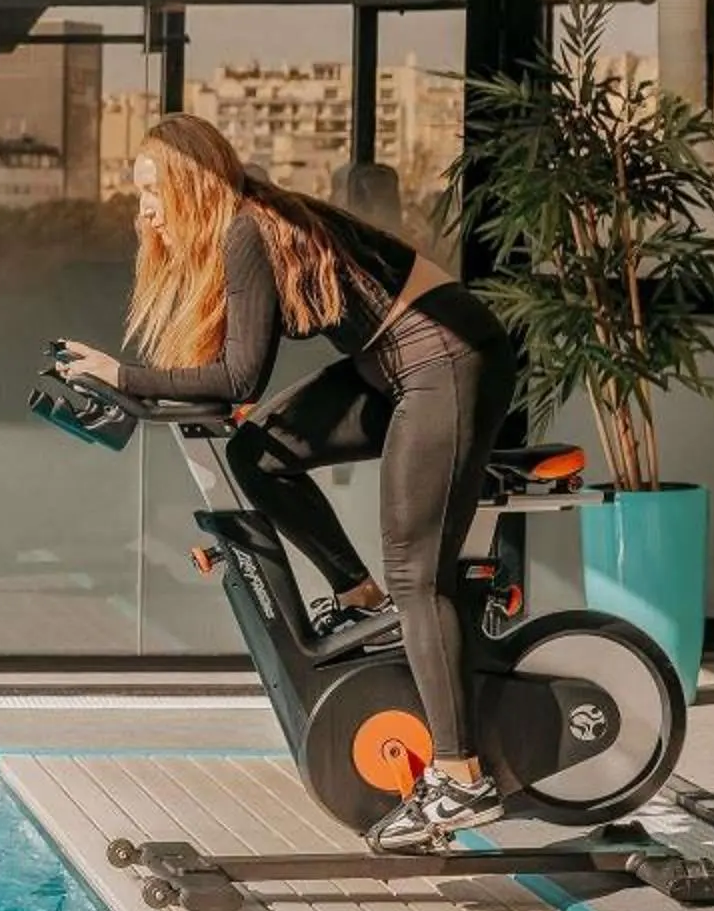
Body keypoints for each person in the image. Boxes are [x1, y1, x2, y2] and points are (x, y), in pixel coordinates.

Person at [56, 114, 520, 853]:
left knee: (418, 573)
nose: (141, 209)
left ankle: (460, 777)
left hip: (448, 363)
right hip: (393, 366)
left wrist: (124, 375)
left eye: (150, 191)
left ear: (186, 183)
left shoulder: (248, 228)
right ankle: (359, 600)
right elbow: (238, 385)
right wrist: (136, 384)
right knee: (259, 453)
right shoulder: (249, 225)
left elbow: (241, 376)